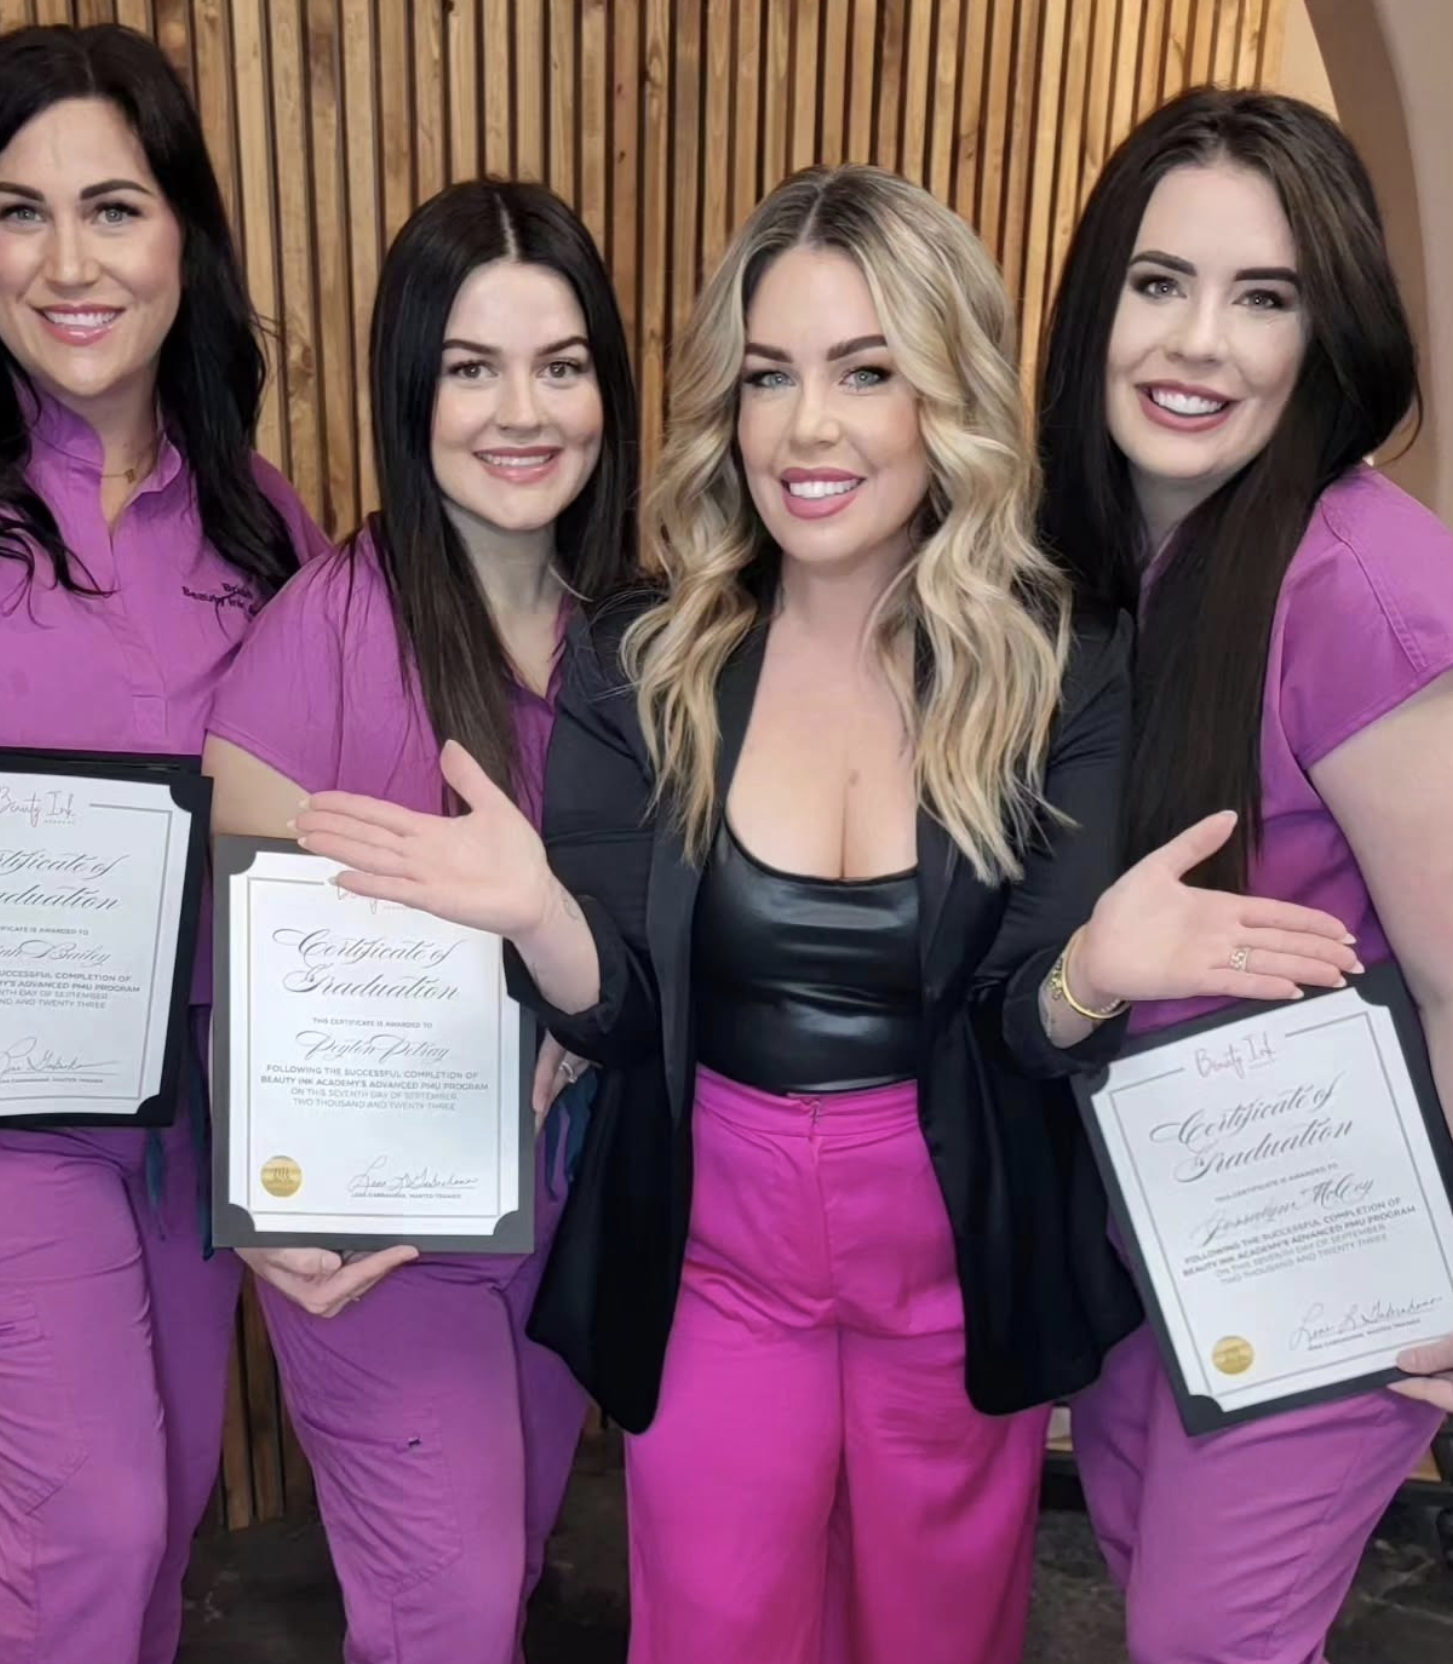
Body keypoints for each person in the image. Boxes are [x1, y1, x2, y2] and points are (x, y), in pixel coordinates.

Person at [291, 164, 1356, 1664]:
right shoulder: (642, 657)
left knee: (939, 1631)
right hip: (716, 1269)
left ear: (945, 392)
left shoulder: (1064, 663)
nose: (809, 429)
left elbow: (1019, 1025)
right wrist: (537, 911)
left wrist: (1089, 978)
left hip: (956, 1256)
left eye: (866, 373)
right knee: (716, 1625)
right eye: (769, 376)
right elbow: (619, 1015)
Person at [0, 25, 326, 1664]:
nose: (67, 261)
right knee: (94, 1527)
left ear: (185, 235)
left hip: (189, 1120)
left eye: (114, 207)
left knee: (162, 1518)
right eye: (17, 209)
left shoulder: (256, 516)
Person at [1037, 86, 1453, 1664]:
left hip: (1333, 1262)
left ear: (1323, 331)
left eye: (1260, 296)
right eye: (1159, 282)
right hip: (1165, 1239)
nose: (1196, 342)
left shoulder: (1357, 587)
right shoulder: (1108, 568)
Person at [203, 178, 639, 1664]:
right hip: (382, 1251)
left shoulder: (645, 632)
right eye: (471, 368)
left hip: (575, 1212)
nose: (522, 412)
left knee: (503, 1570)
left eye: (560, 365)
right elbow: (235, 972)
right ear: (411, 386)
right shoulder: (321, 634)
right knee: (443, 1616)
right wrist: (260, 1208)